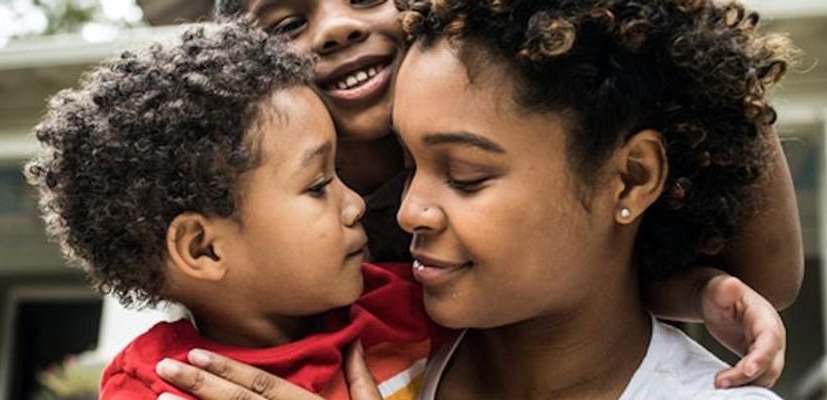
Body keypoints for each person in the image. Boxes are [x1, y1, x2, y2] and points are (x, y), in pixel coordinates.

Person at [154, 0, 797, 398]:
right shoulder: (379, 325)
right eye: (410, 165)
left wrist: (699, 286)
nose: (408, 213)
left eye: (463, 174)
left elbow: (768, 275)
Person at [26, 21, 444, 399]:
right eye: (318, 186)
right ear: (203, 249)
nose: (354, 204)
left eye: (338, 172)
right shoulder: (158, 387)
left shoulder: (405, 304)